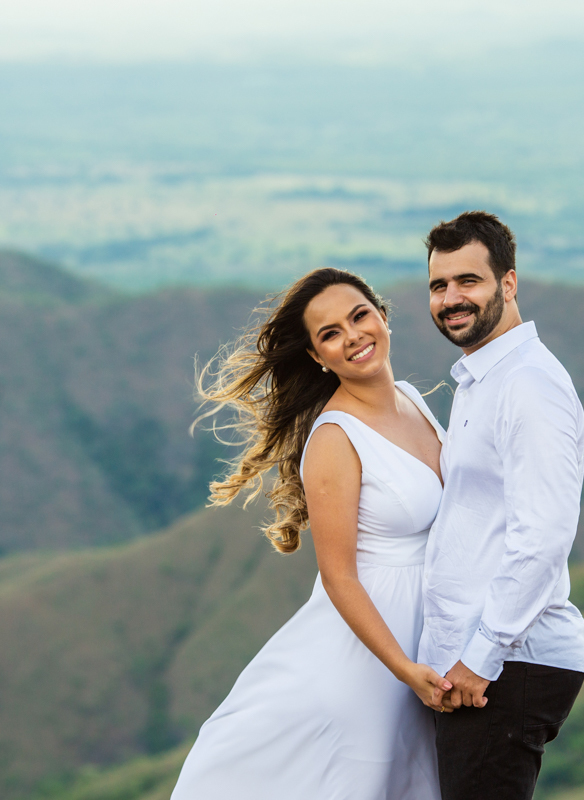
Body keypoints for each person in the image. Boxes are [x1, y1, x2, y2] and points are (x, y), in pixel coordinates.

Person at [171, 268, 446, 800]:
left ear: (383, 315)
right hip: (368, 655)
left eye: (359, 316)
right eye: (330, 334)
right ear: (318, 356)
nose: (353, 336)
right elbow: (338, 576)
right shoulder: (335, 438)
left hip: (427, 626)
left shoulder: (412, 398)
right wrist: (403, 669)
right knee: (359, 779)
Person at [420, 211, 584, 800]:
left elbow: (543, 535)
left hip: (507, 665)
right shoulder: (482, 381)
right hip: (479, 664)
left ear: (509, 283)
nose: (451, 299)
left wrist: (482, 656)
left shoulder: (528, 384)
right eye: (439, 285)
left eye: (468, 281)